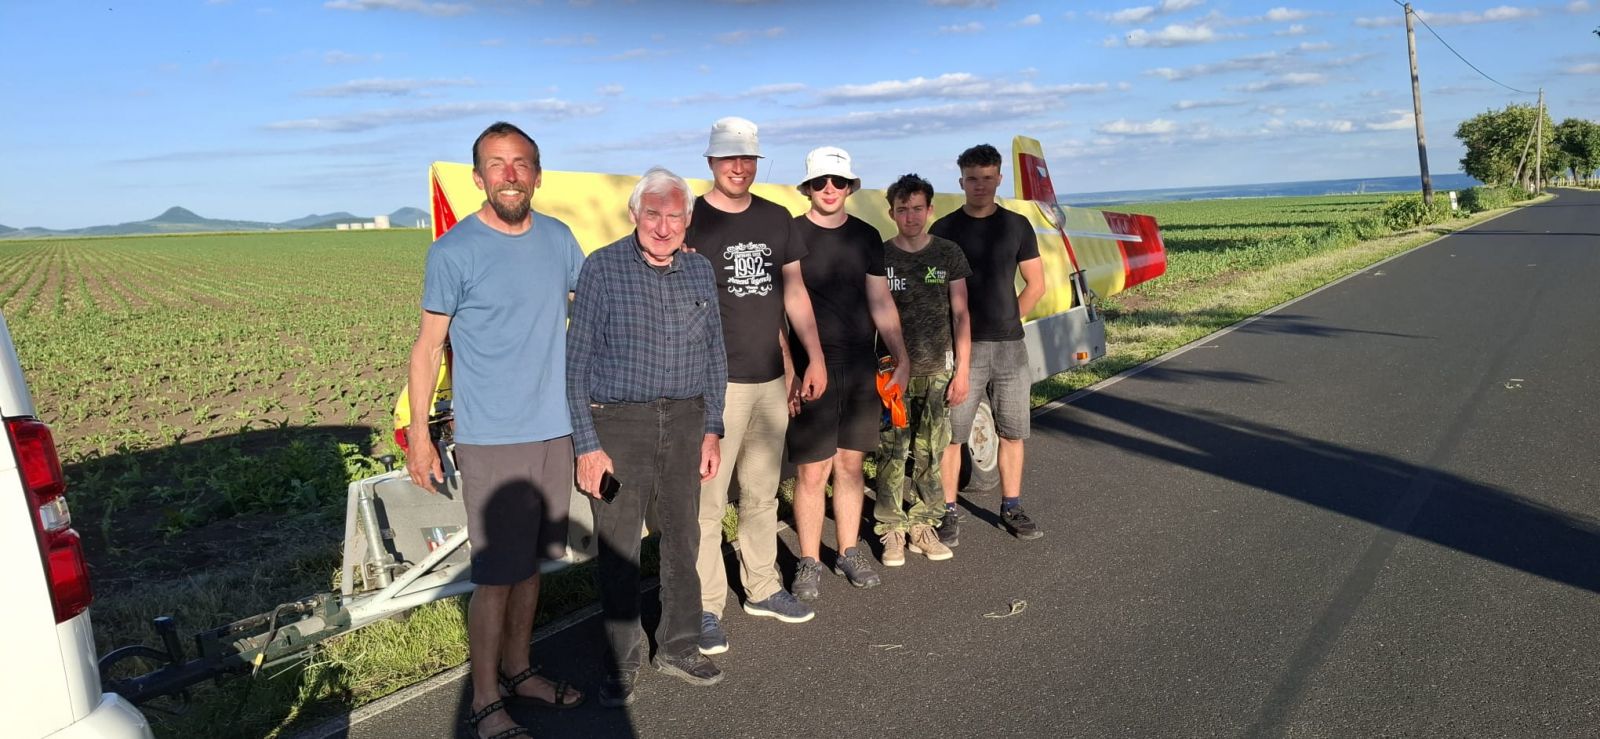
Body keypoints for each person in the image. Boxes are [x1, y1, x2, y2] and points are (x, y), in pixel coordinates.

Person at [406, 121, 585, 739]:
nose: (510, 175)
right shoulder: (454, 251)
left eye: (521, 163)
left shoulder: (559, 239)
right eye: (497, 164)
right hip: (494, 438)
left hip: (555, 429)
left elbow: (596, 304)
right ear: (479, 178)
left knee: (531, 566)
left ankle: (519, 669)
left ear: (537, 175)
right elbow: (428, 347)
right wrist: (421, 437)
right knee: (496, 575)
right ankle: (485, 700)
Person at [566, 167, 729, 708]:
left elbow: (714, 355)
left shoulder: (700, 269)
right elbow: (576, 362)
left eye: (674, 216)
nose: (663, 227)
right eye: (653, 214)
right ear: (634, 214)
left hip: (685, 422)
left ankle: (679, 645)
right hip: (618, 425)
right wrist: (587, 445)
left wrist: (711, 429)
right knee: (619, 543)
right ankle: (622, 658)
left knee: (684, 536)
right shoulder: (602, 267)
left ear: (687, 220)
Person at [688, 117, 827, 654]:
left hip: (769, 378)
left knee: (762, 493)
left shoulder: (776, 218)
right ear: (711, 162)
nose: (739, 168)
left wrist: (809, 357)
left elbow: (792, 293)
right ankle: (705, 607)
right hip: (713, 384)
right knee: (706, 503)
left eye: (746, 158)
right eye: (729, 158)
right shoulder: (691, 219)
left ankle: (763, 587)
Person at [785, 147, 909, 600]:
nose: (829, 189)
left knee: (851, 466)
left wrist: (901, 356)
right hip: (811, 369)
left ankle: (849, 551)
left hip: (859, 366)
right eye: (820, 182)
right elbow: (782, 308)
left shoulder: (866, 236)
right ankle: (808, 560)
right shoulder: (791, 234)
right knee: (812, 472)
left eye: (838, 181)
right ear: (808, 188)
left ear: (850, 187)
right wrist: (790, 370)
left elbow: (880, 300)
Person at [932, 143, 1047, 542]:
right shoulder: (944, 229)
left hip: (1010, 348)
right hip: (962, 349)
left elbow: (1036, 284)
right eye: (971, 179)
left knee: (1013, 432)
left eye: (986, 178)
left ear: (999, 179)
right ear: (961, 181)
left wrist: (1009, 319)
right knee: (952, 435)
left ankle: (1011, 506)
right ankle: (948, 512)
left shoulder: (1017, 226)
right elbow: (933, 288)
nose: (979, 185)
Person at [875, 174, 971, 566]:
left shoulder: (948, 253)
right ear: (891, 213)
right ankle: (891, 530)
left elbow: (961, 314)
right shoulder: (880, 256)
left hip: (938, 372)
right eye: (902, 209)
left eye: (917, 208)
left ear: (930, 210)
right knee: (892, 452)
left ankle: (923, 525)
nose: (910, 217)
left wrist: (962, 371)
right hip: (892, 374)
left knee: (931, 452)